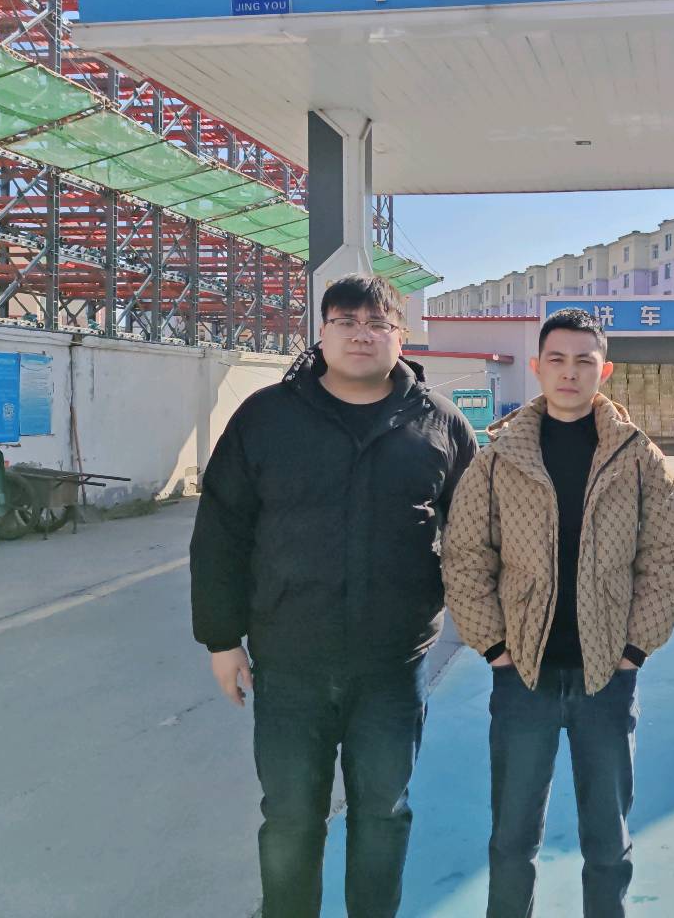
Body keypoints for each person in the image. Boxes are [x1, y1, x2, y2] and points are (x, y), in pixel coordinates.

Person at [190, 273, 478, 918]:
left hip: (393, 665)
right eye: (346, 321)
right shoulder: (267, 417)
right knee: (291, 817)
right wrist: (221, 639)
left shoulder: (438, 422)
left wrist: (492, 629)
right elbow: (221, 531)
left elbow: (477, 536)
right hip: (290, 660)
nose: (361, 335)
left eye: (378, 323)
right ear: (321, 332)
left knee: (383, 811)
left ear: (401, 336)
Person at [443, 307, 674, 918]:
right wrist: (494, 648)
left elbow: (667, 554)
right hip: (522, 676)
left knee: (607, 844)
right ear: (537, 366)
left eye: (585, 361)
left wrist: (634, 649)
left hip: (607, 676)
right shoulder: (499, 456)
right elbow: (465, 553)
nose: (570, 372)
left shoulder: (637, 456)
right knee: (512, 842)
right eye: (557, 359)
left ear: (604, 371)